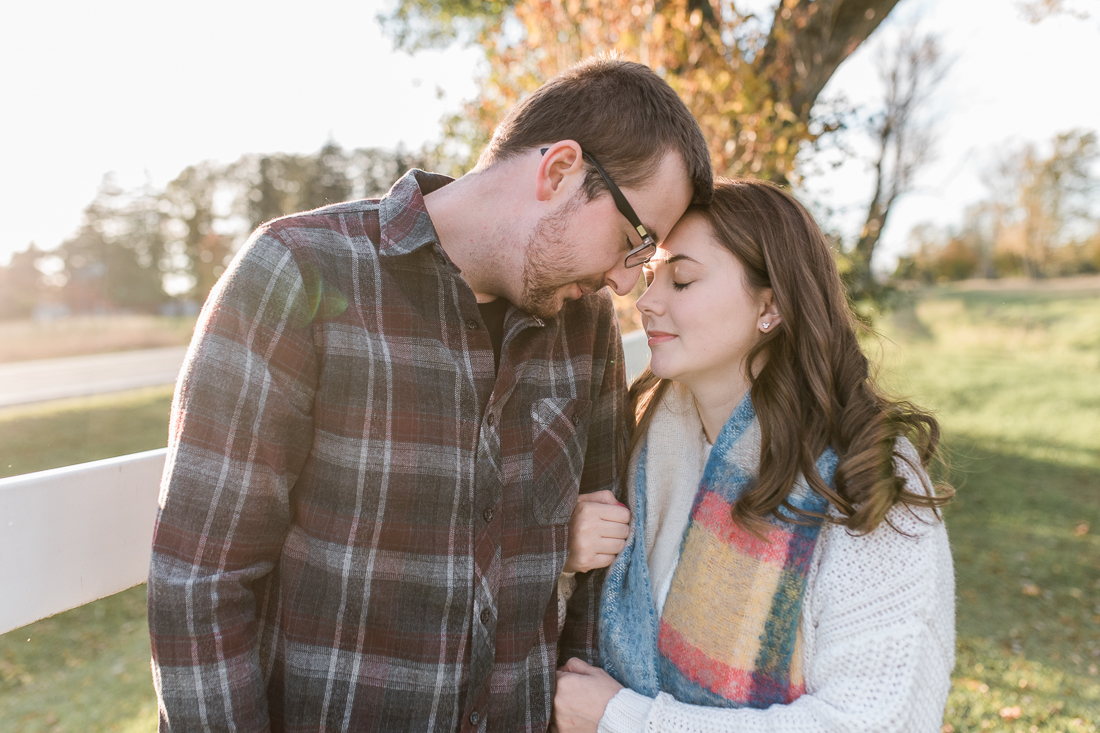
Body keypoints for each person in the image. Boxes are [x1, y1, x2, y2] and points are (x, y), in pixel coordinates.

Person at [147, 57, 713, 732]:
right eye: (632, 242)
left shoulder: (582, 326)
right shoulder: (297, 271)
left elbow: (592, 591)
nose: (626, 285)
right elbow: (200, 584)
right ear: (559, 170)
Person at [553, 179, 956, 732]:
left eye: (683, 278)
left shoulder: (866, 474)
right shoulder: (636, 444)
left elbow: (878, 720)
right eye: (649, 277)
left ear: (770, 306)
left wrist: (624, 720)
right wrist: (562, 556)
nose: (646, 301)